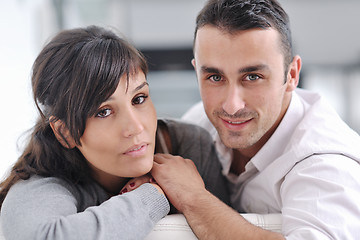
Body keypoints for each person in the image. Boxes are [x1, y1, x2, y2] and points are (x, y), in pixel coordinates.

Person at [149, 0, 360, 239]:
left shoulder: (327, 166)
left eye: (252, 76)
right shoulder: (200, 123)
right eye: (215, 77)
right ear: (197, 72)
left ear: (291, 75)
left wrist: (194, 199)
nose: (231, 105)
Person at [0, 25, 229, 240]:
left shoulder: (189, 145)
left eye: (139, 99)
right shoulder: (44, 181)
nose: (136, 127)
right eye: (103, 112)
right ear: (65, 132)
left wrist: (194, 198)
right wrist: (156, 194)